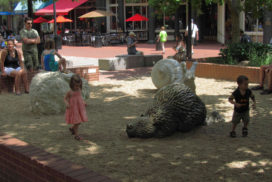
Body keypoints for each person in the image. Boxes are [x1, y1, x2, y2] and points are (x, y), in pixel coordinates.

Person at [64, 74, 88, 141]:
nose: (77, 87)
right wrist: (67, 104)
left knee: (78, 122)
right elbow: (65, 98)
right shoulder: (70, 92)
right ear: (72, 84)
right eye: (76, 85)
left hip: (79, 108)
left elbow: (80, 98)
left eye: (79, 85)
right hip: (73, 109)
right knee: (77, 122)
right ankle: (76, 135)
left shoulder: (79, 90)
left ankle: (72, 128)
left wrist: (83, 102)